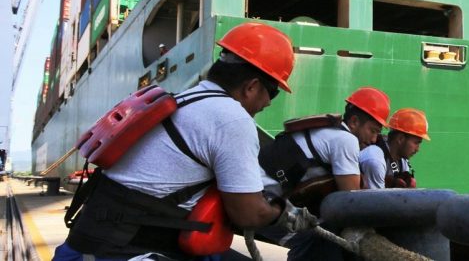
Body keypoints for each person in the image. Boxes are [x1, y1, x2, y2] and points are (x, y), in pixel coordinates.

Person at [54, 22, 317, 260]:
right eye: (272, 92)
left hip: (85, 245)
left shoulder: (185, 99)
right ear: (251, 86)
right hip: (125, 252)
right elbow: (249, 214)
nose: (269, 102)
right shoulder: (232, 119)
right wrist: (284, 214)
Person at [258, 87, 390, 259]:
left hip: (259, 193)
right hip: (260, 202)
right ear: (354, 122)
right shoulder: (346, 140)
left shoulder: (330, 132)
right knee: (314, 241)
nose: (374, 139)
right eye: (373, 131)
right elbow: (351, 200)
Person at [359, 108, 430, 189]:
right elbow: (375, 197)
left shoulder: (402, 161)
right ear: (400, 139)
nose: (418, 149)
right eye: (416, 143)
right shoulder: (375, 159)